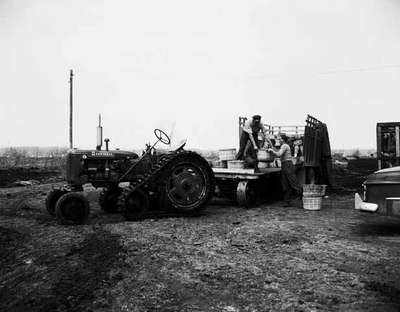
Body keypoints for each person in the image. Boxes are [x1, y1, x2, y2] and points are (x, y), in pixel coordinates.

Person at [267, 134, 302, 205]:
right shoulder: (284, 146)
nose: (278, 140)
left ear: (282, 139)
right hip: (285, 165)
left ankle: (303, 197)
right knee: (285, 184)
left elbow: (279, 154)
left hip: (287, 165)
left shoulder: (284, 146)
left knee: (293, 183)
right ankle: (287, 201)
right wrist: (272, 149)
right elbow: (278, 152)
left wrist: (271, 151)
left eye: (279, 139)